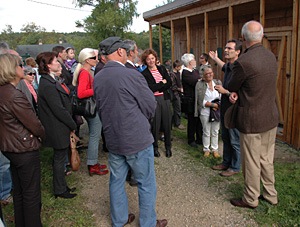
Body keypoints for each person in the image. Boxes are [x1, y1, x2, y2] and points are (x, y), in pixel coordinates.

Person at [94, 36, 168, 227]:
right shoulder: (131, 74)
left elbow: (101, 108)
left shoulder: (99, 76)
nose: (127, 54)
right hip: (136, 138)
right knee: (146, 183)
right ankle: (148, 223)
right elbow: (150, 105)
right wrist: (142, 121)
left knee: (117, 181)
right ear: (120, 52)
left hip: (113, 138)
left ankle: (118, 220)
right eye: (125, 51)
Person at [228, 20, 279, 209]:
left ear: (243, 38)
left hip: (251, 119)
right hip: (270, 116)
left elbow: (232, 86)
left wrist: (235, 92)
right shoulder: (271, 56)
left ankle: (250, 199)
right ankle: (271, 195)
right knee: (266, 159)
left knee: (251, 161)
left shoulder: (243, 62)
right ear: (261, 36)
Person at [0, 53, 45, 227]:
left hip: (10, 147)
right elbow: (34, 123)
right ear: (11, 70)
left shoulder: (4, 92)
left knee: (19, 191)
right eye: (19, 65)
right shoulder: (14, 95)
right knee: (31, 194)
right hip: (23, 148)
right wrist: (43, 135)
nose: (22, 68)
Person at [36, 51, 77, 199]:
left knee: (60, 158)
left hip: (59, 126)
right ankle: (59, 189)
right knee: (59, 160)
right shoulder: (48, 84)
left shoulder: (51, 81)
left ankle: (61, 186)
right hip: (56, 127)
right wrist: (72, 124)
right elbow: (58, 109)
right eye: (55, 62)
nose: (59, 64)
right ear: (48, 65)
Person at [72, 48, 109, 176]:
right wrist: (97, 89)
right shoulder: (85, 73)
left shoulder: (84, 71)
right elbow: (81, 93)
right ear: (87, 60)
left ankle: (93, 162)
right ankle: (92, 164)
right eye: (94, 58)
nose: (96, 60)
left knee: (95, 135)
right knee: (94, 136)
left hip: (91, 108)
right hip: (91, 109)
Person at [209, 39, 242, 177]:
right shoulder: (229, 65)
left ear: (238, 51)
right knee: (226, 137)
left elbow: (242, 92)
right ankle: (226, 162)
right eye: (226, 47)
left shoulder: (240, 68)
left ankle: (235, 167)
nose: (226, 50)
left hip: (234, 109)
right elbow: (223, 66)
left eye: (230, 48)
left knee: (234, 139)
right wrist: (216, 58)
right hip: (225, 108)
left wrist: (225, 91)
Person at [141, 48, 173, 158]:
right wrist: (161, 83)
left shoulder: (162, 69)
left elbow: (169, 83)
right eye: (148, 59)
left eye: (152, 58)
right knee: (155, 124)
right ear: (145, 61)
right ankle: (155, 147)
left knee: (167, 123)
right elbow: (150, 88)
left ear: (156, 59)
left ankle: (168, 147)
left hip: (165, 98)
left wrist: (159, 86)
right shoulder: (144, 73)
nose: (151, 61)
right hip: (154, 101)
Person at [195, 65, 221, 158]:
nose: (209, 75)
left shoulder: (217, 83)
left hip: (216, 111)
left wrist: (217, 105)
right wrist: (211, 105)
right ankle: (206, 149)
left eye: (211, 73)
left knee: (215, 131)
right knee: (206, 131)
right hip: (205, 111)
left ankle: (215, 149)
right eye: (207, 73)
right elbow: (199, 100)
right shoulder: (199, 84)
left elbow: (221, 96)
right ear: (203, 75)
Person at [181, 53, 202, 148]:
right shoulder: (186, 73)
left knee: (198, 120)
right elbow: (196, 82)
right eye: (194, 60)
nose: (195, 61)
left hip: (196, 99)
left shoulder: (194, 71)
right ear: (190, 62)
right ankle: (191, 139)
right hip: (190, 100)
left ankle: (199, 138)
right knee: (192, 120)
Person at [170, 60, 184, 130]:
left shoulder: (178, 73)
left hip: (178, 93)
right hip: (175, 94)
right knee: (177, 109)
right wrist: (179, 89)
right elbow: (172, 86)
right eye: (180, 66)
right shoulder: (172, 74)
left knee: (178, 109)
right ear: (176, 67)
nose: (181, 67)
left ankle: (173, 122)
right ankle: (177, 123)